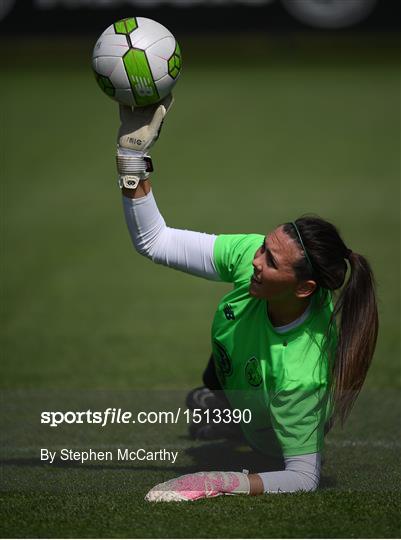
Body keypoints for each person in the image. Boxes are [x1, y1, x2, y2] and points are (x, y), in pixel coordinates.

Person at [115, 97, 378, 502]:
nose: (254, 259)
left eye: (270, 261)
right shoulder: (254, 256)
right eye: (263, 247)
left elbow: (303, 477)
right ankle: (220, 411)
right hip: (239, 361)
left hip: (269, 430)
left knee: (232, 421)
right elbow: (156, 241)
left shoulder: (300, 378)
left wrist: (221, 482)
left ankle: (230, 421)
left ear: (303, 288)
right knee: (209, 398)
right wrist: (132, 158)